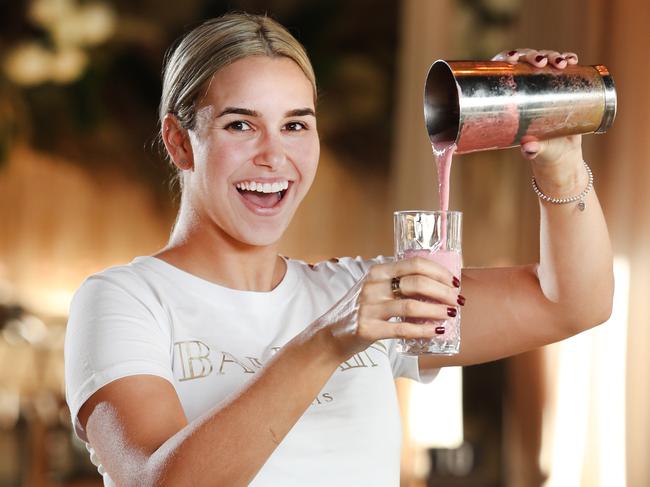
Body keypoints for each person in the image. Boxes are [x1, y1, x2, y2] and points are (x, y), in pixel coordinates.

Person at [64, 12, 614, 487]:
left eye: (296, 125)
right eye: (240, 125)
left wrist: (560, 157)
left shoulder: (359, 292)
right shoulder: (125, 300)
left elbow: (570, 302)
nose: (274, 156)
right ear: (180, 141)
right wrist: (329, 340)